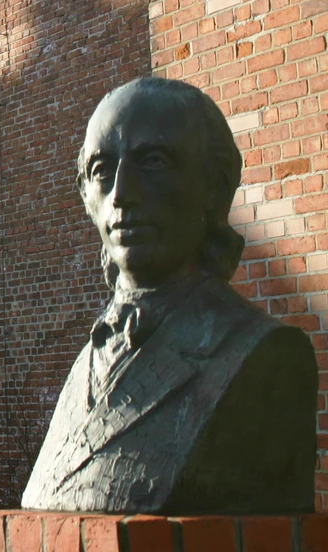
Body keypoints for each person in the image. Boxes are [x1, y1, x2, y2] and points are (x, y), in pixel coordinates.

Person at [20, 77, 316, 514]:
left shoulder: (263, 355)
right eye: (102, 170)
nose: (121, 194)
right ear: (86, 194)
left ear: (214, 184)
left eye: (153, 162)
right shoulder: (87, 360)